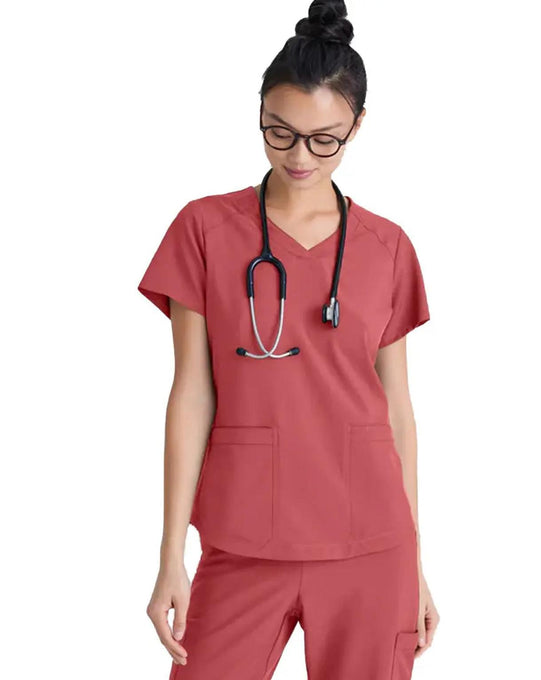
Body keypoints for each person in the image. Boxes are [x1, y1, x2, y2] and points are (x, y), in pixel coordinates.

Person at [138, 1, 439, 678]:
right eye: (279, 132)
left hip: (372, 544)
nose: (299, 155)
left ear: (358, 125)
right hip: (243, 537)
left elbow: (397, 411)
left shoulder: (387, 247)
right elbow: (191, 394)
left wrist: (417, 564)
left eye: (324, 139)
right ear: (260, 114)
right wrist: (169, 556)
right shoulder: (204, 229)